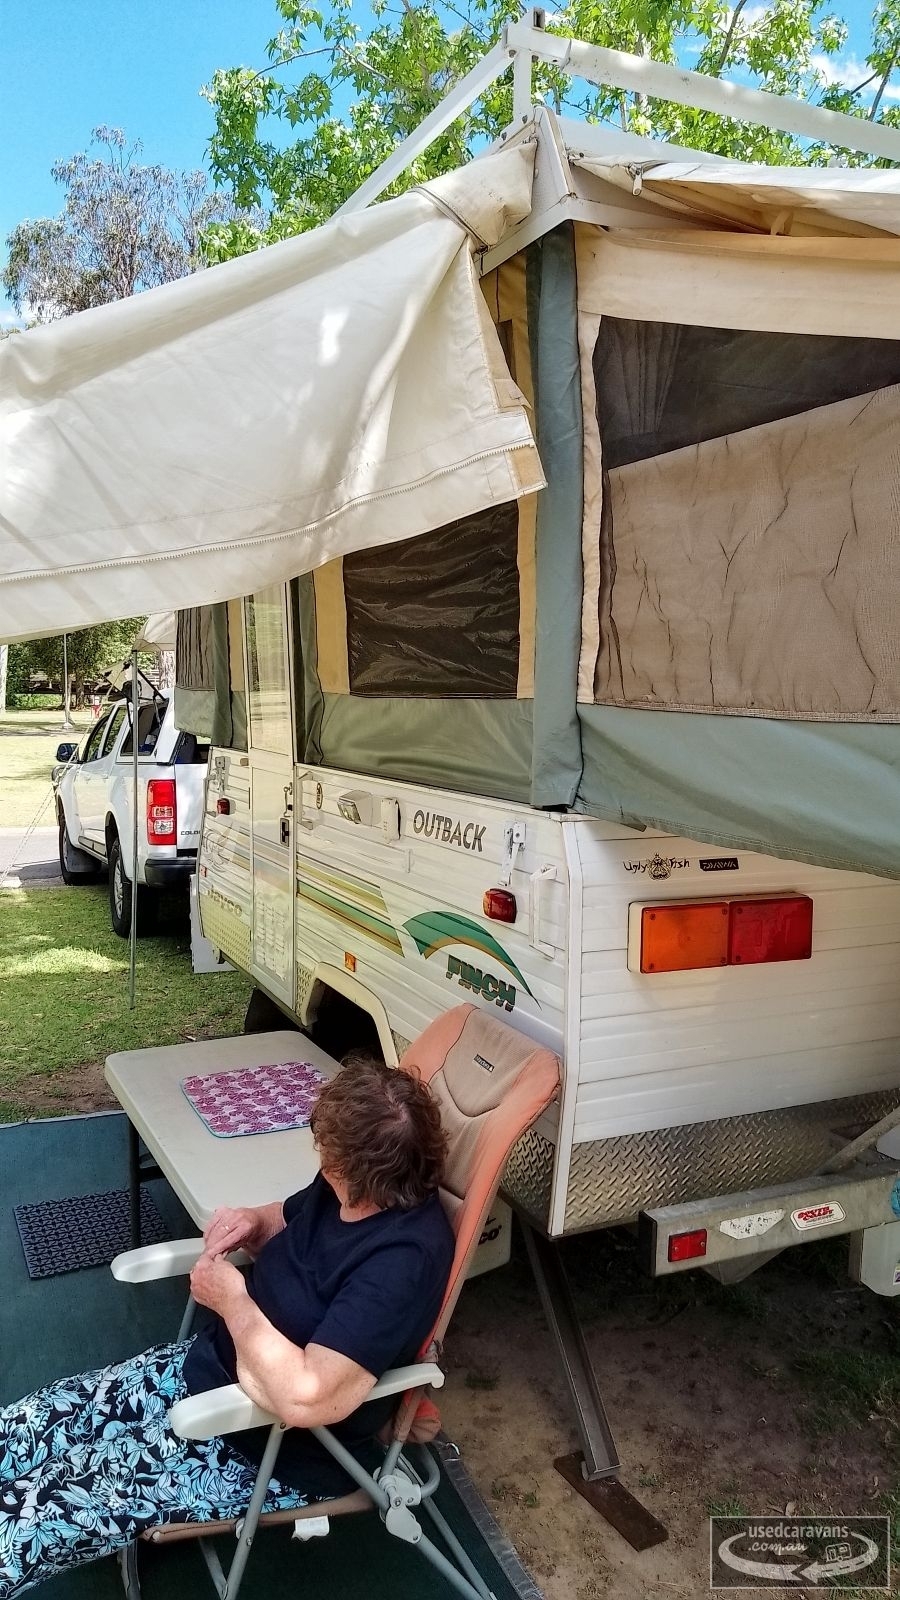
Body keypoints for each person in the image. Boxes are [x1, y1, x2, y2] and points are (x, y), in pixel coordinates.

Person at [0, 1054, 454, 1598]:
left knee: (34, 1514)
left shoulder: (401, 1263)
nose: (319, 1157)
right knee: (25, 1425)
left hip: (259, 1443)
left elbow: (309, 1397)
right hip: (203, 1369)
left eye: (326, 1153)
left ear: (359, 1170)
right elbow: (289, 1215)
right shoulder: (352, 1188)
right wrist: (254, 1220)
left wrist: (232, 1301)